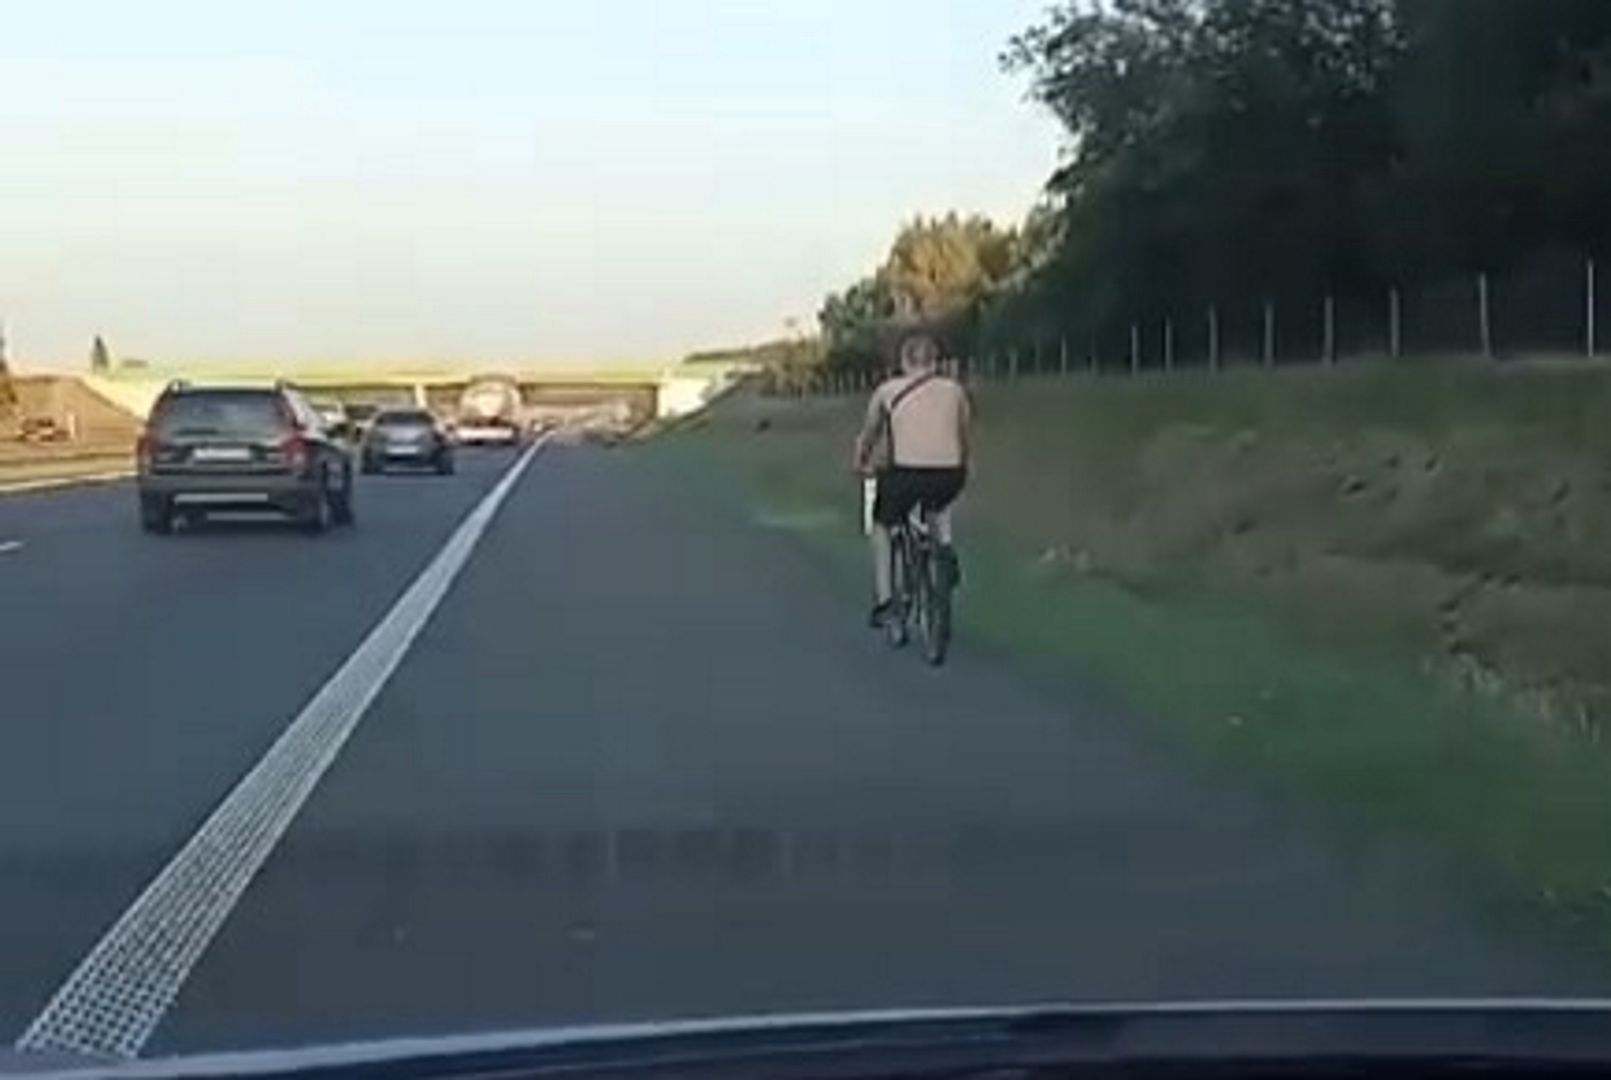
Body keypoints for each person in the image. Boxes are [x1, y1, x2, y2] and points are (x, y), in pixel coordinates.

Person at [852, 332, 971, 627]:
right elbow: (963, 433)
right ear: (935, 362)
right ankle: (944, 550)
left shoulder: (887, 391)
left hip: (905, 474)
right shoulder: (954, 390)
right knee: (938, 501)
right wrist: (961, 462)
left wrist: (861, 461)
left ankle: (885, 600)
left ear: (905, 361)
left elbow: (869, 434)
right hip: (950, 473)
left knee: (881, 524)